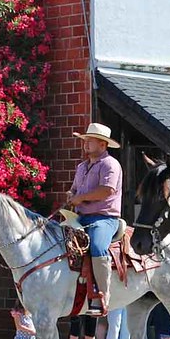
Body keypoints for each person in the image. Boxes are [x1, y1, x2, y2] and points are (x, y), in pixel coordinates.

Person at [66, 122, 123, 316]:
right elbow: (74, 188)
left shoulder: (110, 164)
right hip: (80, 216)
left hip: (104, 218)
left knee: (98, 246)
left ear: (103, 145)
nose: (86, 144)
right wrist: (71, 194)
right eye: (85, 140)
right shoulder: (82, 167)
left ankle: (102, 295)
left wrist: (80, 197)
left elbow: (107, 191)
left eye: (90, 141)